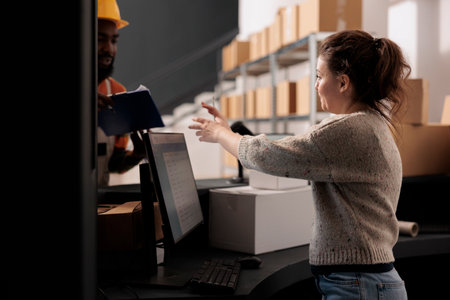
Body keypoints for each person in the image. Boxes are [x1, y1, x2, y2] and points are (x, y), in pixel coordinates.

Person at [189, 30, 411, 299]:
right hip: (362, 281)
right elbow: (289, 149)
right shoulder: (370, 124)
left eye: (319, 76)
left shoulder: (350, 130)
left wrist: (222, 135)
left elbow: (270, 155)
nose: (316, 85)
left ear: (342, 83)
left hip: (358, 283)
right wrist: (231, 135)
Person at [97, 0, 146, 187]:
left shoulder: (116, 93)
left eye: (113, 40)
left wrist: (136, 155)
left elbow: (113, 165)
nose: (109, 49)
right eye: (100, 39)